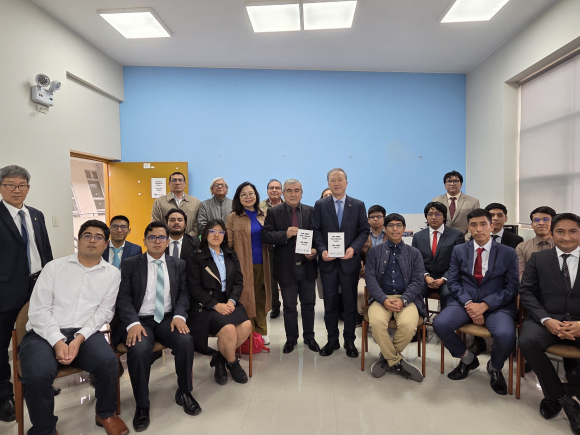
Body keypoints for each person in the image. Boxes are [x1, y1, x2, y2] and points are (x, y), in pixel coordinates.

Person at [19, 220, 129, 435]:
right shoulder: (54, 267)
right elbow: (39, 310)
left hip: (85, 333)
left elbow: (104, 312)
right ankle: (44, 428)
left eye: (98, 237)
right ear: (79, 240)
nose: (92, 240)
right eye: (87, 235)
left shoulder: (112, 273)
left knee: (108, 362)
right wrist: (57, 341)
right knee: (38, 373)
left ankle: (105, 413)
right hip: (43, 333)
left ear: (106, 243)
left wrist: (79, 338)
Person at [114, 221, 199, 431]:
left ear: (168, 241)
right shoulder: (131, 264)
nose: (157, 241)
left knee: (185, 341)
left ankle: (184, 392)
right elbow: (123, 298)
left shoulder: (178, 264)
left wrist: (179, 315)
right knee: (139, 349)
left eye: (162, 237)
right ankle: (142, 404)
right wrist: (132, 323)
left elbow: (184, 294)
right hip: (140, 319)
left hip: (168, 318)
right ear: (145, 241)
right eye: (152, 237)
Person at [433, 209, 519, 395]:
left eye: (483, 224)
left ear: (491, 226)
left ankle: (495, 367)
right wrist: (469, 304)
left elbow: (512, 288)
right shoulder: (459, 250)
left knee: (506, 335)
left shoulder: (508, 253)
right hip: (465, 302)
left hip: (497, 305)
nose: (478, 229)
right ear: (468, 228)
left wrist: (485, 305)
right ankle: (467, 359)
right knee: (440, 324)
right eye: (473, 225)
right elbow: (453, 282)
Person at [0, 165, 54, 422]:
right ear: (1, 187)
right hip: (5, 290)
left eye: (21, 185)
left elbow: (46, 251)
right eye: (10, 185)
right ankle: (4, 395)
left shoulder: (36, 215)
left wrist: (51, 280)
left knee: (38, 336)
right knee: (1, 345)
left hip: (38, 287)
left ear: (28, 188)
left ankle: (38, 380)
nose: (16, 190)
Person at [519, 213, 580, 435]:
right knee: (527, 341)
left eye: (573, 231)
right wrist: (546, 320)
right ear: (552, 234)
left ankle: (561, 391)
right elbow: (526, 292)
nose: (566, 237)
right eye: (560, 231)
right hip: (546, 318)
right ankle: (566, 400)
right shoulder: (539, 259)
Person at [311, 168, 370, 358]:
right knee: (330, 304)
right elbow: (316, 230)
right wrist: (322, 249)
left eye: (340, 179)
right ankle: (332, 340)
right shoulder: (320, 205)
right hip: (328, 263)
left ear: (346, 182)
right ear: (328, 183)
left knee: (350, 303)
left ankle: (349, 341)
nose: (336, 183)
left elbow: (364, 231)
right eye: (332, 180)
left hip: (349, 262)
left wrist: (353, 248)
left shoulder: (358, 205)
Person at [187, 220, 252, 385]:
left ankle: (220, 358)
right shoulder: (196, 256)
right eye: (212, 231)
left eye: (221, 232)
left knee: (246, 326)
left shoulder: (230, 254)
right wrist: (215, 305)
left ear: (224, 235)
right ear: (205, 234)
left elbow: (238, 282)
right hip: (206, 306)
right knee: (229, 329)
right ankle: (233, 363)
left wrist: (232, 300)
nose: (217, 235)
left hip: (229, 301)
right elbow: (194, 288)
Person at [365, 213, 426, 382]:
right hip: (381, 298)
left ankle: (386, 357)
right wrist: (383, 299)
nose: (395, 229)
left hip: (406, 299)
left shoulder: (414, 253)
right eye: (391, 225)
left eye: (399, 225)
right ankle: (396, 361)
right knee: (377, 323)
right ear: (385, 228)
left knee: (409, 325)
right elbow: (370, 279)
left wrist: (403, 300)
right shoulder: (374, 252)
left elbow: (417, 281)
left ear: (404, 228)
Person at [262, 179, 319, 354]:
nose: (293, 194)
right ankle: (291, 338)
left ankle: (309, 337)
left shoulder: (311, 211)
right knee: (289, 306)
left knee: (309, 304)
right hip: (286, 267)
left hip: (307, 265)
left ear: (301, 193)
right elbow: (265, 236)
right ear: (283, 193)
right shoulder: (273, 212)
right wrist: (284, 234)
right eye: (289, 190)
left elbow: (319, 235)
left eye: (296, 190)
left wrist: (315, 250)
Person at [226, 182, 272, 344]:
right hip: (242, 265)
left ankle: (261, 331)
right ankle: (248, 332)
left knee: (261, 297)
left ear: (256, 195)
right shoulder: (233, 217)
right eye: (243, 194)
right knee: (246, 298)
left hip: (263, 263)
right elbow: (229, 244)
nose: (248, 197)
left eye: (251, 193)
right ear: (238, 198)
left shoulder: (264, 214)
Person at [412, 201, 465, 309]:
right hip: (425, 279)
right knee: (414, 292)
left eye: (437, 214)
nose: (433, 217)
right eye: (430, 214)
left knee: (449, 293)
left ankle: (445, 318)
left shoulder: (456, 235)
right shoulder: (418, 236)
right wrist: (426, 276)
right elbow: (416, 261)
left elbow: (459, 262)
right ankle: (419, 318)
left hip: (448, 279)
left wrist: (444, 278)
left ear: (444, 216)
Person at [259, 179, 284, 319]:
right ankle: (275, 306)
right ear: (267, 190)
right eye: (271, 188)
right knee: (271, 280)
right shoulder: (259, 206)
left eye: (277, 188)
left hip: (285, 246)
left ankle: (290, 304)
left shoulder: (287, 205)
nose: (274, 190)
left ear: (282, 191)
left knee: (287, 278)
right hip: (267, 248)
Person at [359, 205, 388, 318]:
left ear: (384, 218)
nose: (376, 219)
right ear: (368, 219)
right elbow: (359, 257)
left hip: (387, 274)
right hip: (365, 273)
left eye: (379, 216)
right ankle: (363, 316)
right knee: (360, 292)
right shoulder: (362, 236)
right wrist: (363, 271)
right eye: (372, 217)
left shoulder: (391, 235)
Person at [151, 172, 201, 237]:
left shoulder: (195, 202)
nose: (177, 183)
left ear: (185, 184)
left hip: (190, 241)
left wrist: (186, 239)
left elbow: (197, 224)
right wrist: (166, 238)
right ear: (169, 184)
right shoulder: (159, 202)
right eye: (174, 180)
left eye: (180, 180)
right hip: (166, 241)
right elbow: (156, 224)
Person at [432, 170, 480, 235]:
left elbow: (477, 222)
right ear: (445, 185)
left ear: (461, 184)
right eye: (449, 181)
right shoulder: (436, 201)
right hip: (442, 237)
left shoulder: (473, 202)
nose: (452, 184)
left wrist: (467, 237)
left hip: (464, 238)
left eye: (455, 181)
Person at [516, 206, 557, 279]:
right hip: (530, 285)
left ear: (553, 223)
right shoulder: (522, 247)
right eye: (536, 220)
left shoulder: (562, 245)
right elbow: (520, 274)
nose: (541, 223)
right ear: (532, 225)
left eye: (546, 219)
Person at [316, 188, 333, 300]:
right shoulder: (317, 213)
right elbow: (315, 232)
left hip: (344, 255)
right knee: (327, 289)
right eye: (325, 195)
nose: (328, 197)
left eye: (330, 194)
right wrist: (322, 249)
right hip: (324, 254)